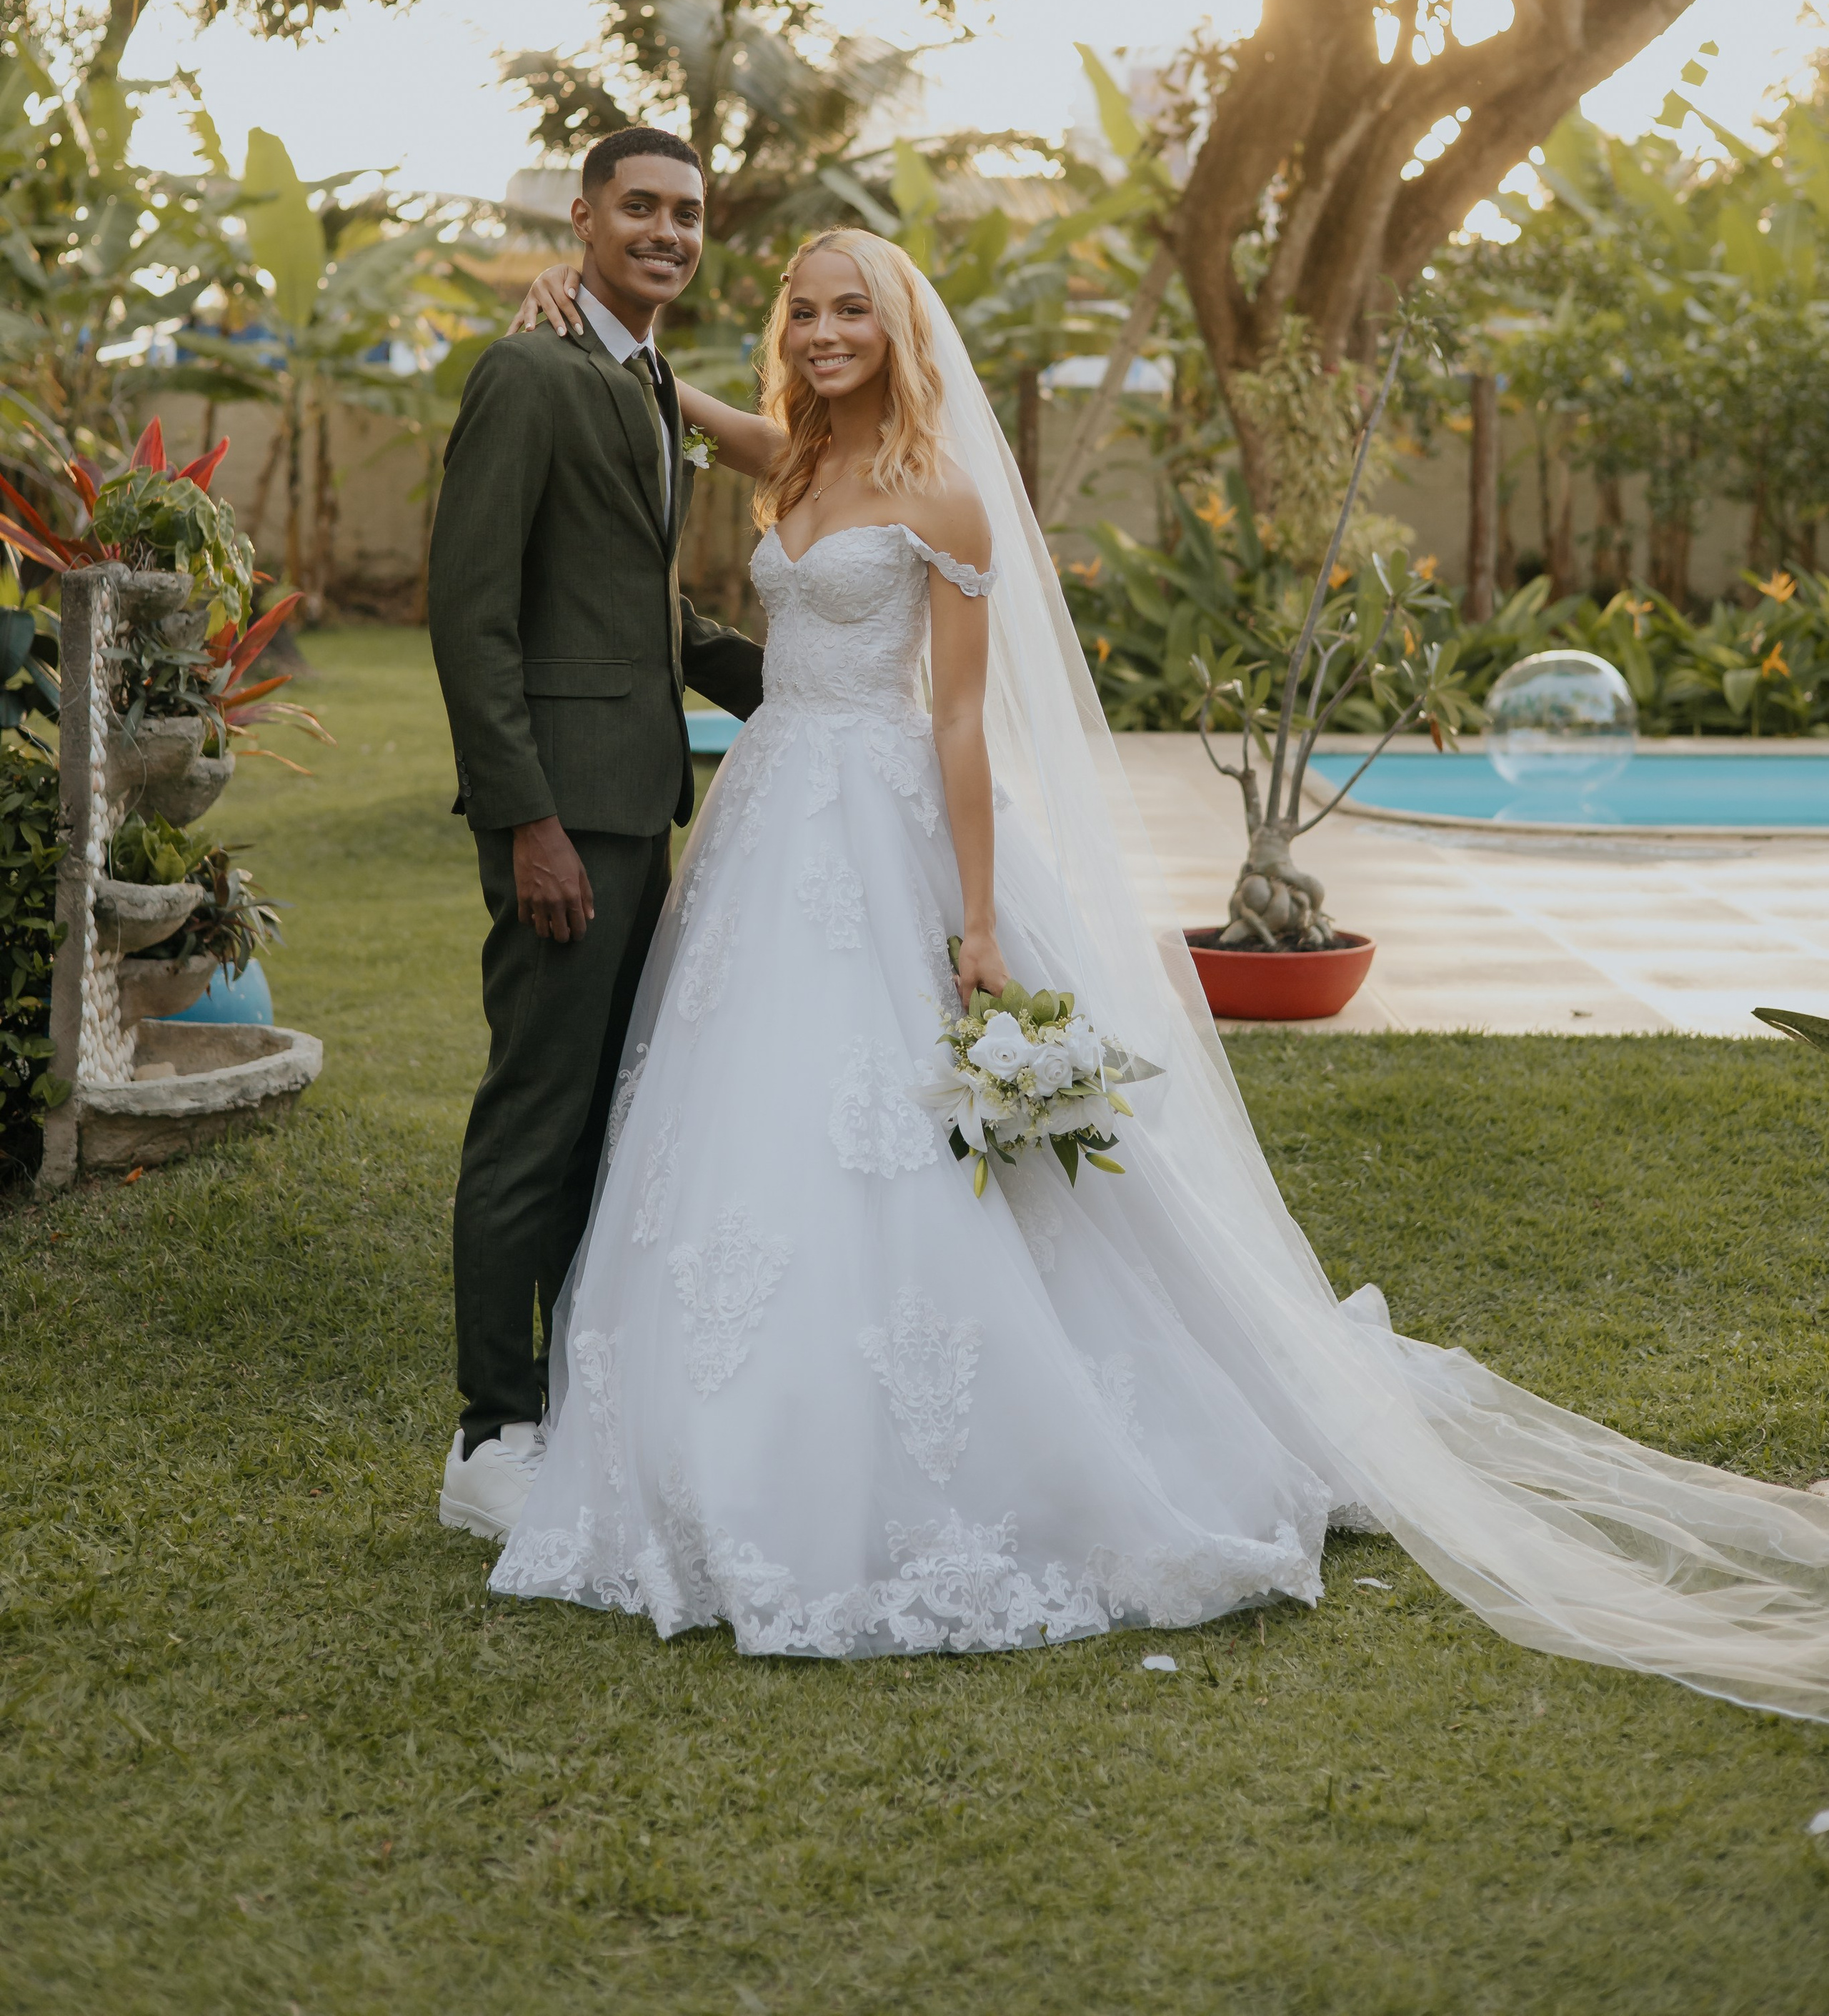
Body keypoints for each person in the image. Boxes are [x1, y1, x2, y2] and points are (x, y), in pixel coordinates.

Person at [489, 229, 1829, 1716]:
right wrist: (595, 327)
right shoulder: (791, 466)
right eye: (802, 311)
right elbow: (689, 408)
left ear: (901, 327)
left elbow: (955, 730)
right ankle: (709, 1441)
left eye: (850, 310)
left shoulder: (941, 493)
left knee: (913, 1134)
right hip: (766, 826)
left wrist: (981, 923)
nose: (819, 332)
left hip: (884, 828)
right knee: (745, 1122)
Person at [426, 126, 764, 1542]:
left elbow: (641, 612)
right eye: (639, 208)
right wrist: (527, 823)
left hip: (642, 810)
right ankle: (488, 1433)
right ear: (582, 218)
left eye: (686, 213)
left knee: (606, 1122)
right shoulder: (528, 373)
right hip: (568, 823)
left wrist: (804, 682)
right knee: (532, 1123)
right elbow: (472, 613)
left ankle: (569, 1397)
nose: (666, 232)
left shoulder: (648, 381)